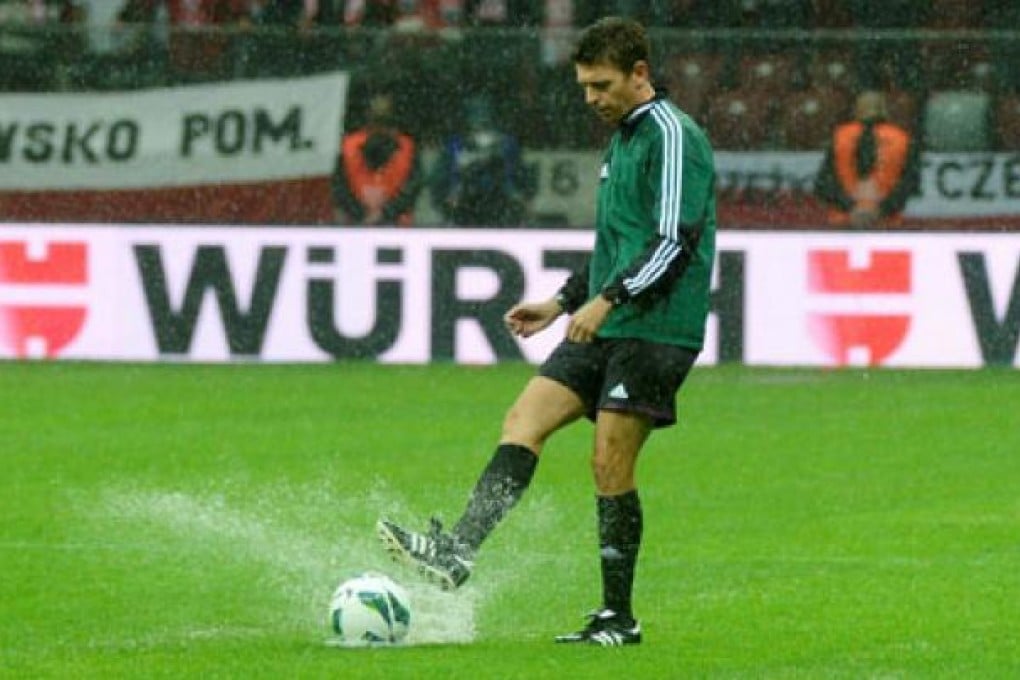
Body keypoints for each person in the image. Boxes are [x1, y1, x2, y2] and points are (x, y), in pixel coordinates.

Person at [377, 16, 717, 646]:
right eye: (584, 85)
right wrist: (562, 300)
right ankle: (457, 551)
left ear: (640, 74)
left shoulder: (673, 135)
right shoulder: (622, 137)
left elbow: (674, 240)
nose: (591, 98)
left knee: (609, 460)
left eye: (601, 84)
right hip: (610, 317)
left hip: (657, 327)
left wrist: (608, 300)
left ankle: (618, 617)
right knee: (523, 420)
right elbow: (617, 242)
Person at [813, 90, 921, 229]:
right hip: (886, 226)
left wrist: (851, 208)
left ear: (857, 109)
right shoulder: (902, 139)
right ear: (884, 110)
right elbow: (910, 184)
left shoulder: (840, 137)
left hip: (844, 225)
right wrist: (881, 210)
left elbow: (824, 185)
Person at [429, 94, 534, 227]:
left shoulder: (507, 144)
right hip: (464, 212)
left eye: (484, 119)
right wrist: (447, 200)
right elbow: (439, 183)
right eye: (477, 118)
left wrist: (519, 197)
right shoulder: (455, 145)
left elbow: (521, 179)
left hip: (500, 210)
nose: (480, 125)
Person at [332, 92, 424, 226]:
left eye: (383, 120)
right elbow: (339, 188)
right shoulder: (348, 147)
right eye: (378, 120)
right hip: (361, 226)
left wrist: (378, 215)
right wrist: (373, 215)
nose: (380, 127)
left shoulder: (407, 148)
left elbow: (413, 188)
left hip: (394, 229)